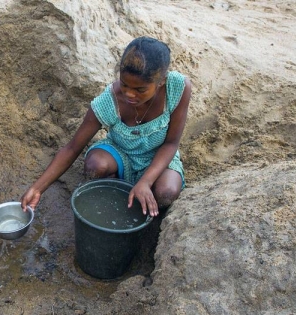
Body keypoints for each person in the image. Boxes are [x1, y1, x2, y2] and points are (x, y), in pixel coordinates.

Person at [21, 37, 192, 217]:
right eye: (124, 84)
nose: (129, 94)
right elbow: (72, 148)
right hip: (121, 151)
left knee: (166, 193)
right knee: (96, 166)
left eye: (140, 90)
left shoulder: (177, 88)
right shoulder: (109, 101)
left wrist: (146, 181)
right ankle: (114, 194)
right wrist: (37, 188)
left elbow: (171, 144)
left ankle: (150, 220)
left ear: (161, 82)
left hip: (158, 156)